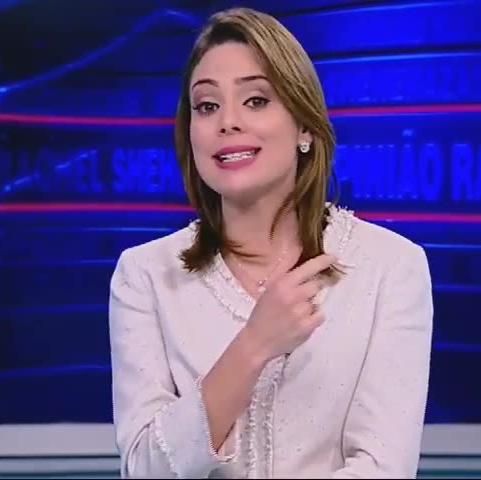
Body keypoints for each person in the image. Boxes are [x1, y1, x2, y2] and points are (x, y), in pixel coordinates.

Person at [108, 7, 433, 479]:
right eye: (207, 106)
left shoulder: (390, 268)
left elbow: (383, 468)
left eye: (256, 100)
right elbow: (145, 469)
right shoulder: (144, 276)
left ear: (304, 126)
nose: (227, 122)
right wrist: (254, 344)